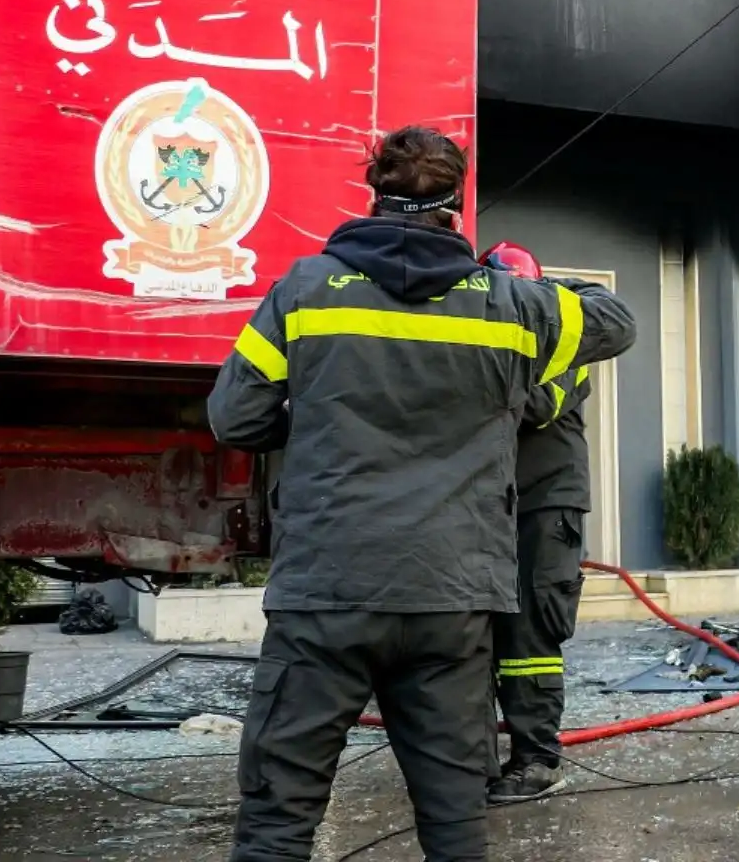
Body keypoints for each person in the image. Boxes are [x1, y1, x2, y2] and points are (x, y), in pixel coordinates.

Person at [208, 126, 636, 862]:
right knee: (454, 825)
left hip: (326, 595)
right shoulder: (510, 306)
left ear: (373, 192)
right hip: (453, 598)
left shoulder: (305, 291)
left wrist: (319, 420)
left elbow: (234, 417)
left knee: (278, 824)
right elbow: (616, 322)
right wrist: (519, 286)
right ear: (456, 205)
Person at [477, 242, 594, 802]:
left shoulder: (563, 344)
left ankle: (537, 761)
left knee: (530, 635)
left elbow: (535, 406)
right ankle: (469, 762)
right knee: (471, 630)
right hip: (485, 503)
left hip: (545, 503)